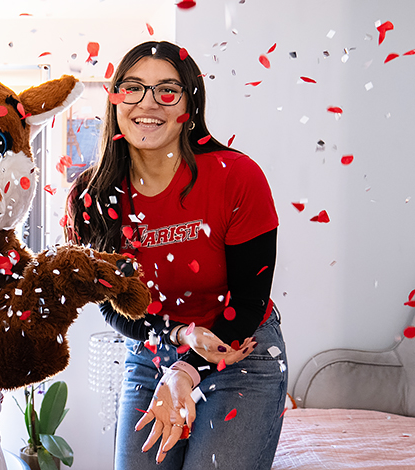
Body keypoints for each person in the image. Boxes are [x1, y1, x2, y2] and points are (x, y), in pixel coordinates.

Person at [65, 41, 287, 470]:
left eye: (167, 91)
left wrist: (185, 371)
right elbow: (115, 308)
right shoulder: (88, 198)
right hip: (153, 351)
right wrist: (181, 340)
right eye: (133, 88)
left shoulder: (237, 177)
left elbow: (249, 300)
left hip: (240, 351)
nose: (148, 103)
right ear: (115, 99)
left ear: (190, 104)